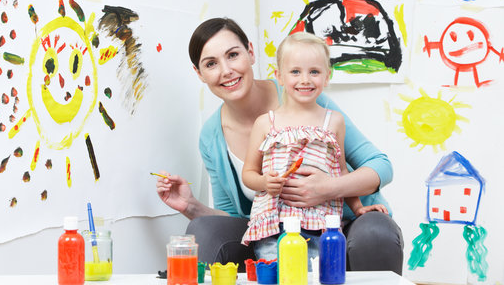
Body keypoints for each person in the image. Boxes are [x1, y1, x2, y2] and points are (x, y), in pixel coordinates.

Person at [155, 17, 404, 273]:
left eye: (233, 55)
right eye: (211, 64)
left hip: (334, 223)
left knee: (375, 231)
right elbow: (234, 217)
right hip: (271, 231)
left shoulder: (307, 100)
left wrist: (327, 188)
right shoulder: (212, 136)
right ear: (199, 73)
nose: (226, 70)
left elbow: (380, 166)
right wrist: (190, 206)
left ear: (251, 53)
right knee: (202, 229)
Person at [240, 32, 388, 266]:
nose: (305, 79)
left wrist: (358, 207)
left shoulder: (334, 122)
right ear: (279, 76)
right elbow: (248, 173)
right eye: (295, 71)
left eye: (314, 72)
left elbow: (340, 172)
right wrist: (264, 182)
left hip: (320, 227)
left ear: (327, 77)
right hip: (273, 228)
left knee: (317, 277)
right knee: (281, 278)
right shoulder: (265, 123)